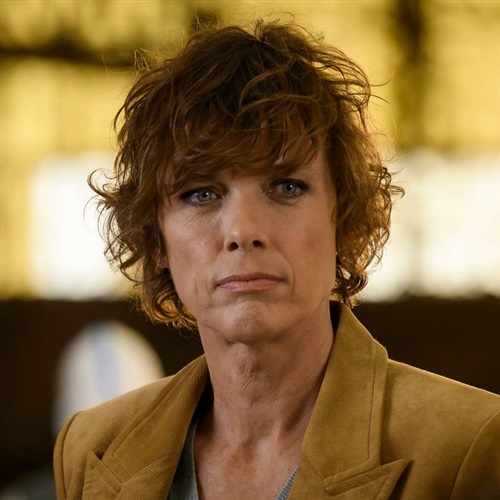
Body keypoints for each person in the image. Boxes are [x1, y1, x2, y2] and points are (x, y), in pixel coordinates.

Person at [53, 19, 500, 499]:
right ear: (156, 237)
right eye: (200, 193)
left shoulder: (467, 444)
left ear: (342, 217)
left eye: (287, 187)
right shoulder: (90, 448)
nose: (243, 232)